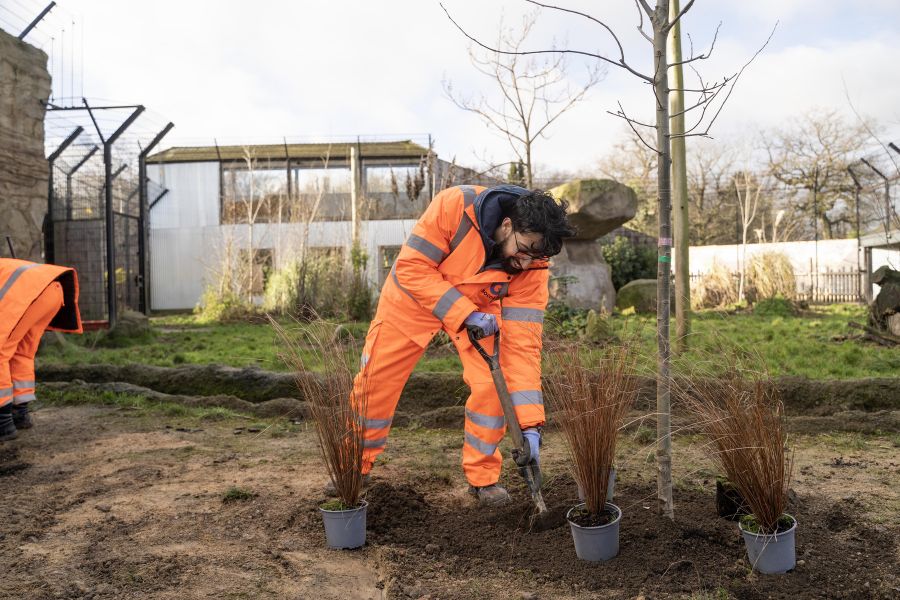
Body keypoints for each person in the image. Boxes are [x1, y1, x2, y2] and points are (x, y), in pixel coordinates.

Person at [336, 184, 575, 505]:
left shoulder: (534, 267)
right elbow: (412, 267)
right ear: (507, 225)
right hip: (414, 298)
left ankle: (482, 479)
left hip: (481, 308)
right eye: (525, 249)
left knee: (494, 384)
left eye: (537, 256)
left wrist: (531, 425)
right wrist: (463, 312)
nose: (526, 263)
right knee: (375, 383)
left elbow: (523, 348)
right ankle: (354, 467)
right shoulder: (455, 206)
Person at [0, 258, 83, 441]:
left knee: (1, 351)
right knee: (21, 352)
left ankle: (3, 423)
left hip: (30, 295)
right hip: (52, 291)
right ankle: (19, 413)